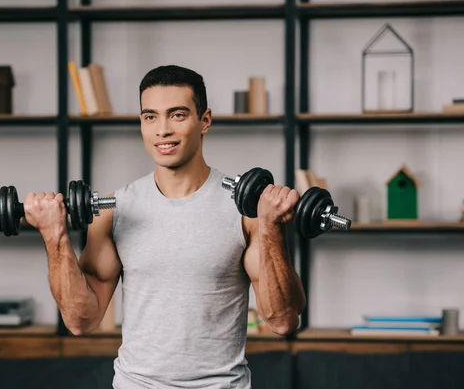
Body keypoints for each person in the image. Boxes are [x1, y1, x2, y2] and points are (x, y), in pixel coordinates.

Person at [23, 65, 306, 388]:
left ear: (205, 120)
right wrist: (53, 237)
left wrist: (271, 228)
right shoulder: (114, 210)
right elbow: (80, 321)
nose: (162, 130)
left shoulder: (244, 211)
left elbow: (282, 319)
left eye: (178, 115)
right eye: (150, 117)